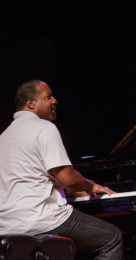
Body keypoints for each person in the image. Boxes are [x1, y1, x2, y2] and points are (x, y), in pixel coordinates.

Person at [0, 80, 124, 259]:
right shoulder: (44, 128)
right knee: (112, 237)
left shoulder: (4, 137)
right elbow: (69, 179)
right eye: (48, 96)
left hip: (7, 224)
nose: (55, 100)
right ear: (31, 103)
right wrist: (91, 186)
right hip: (41, 221)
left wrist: (67, 191)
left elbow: (29, 177)